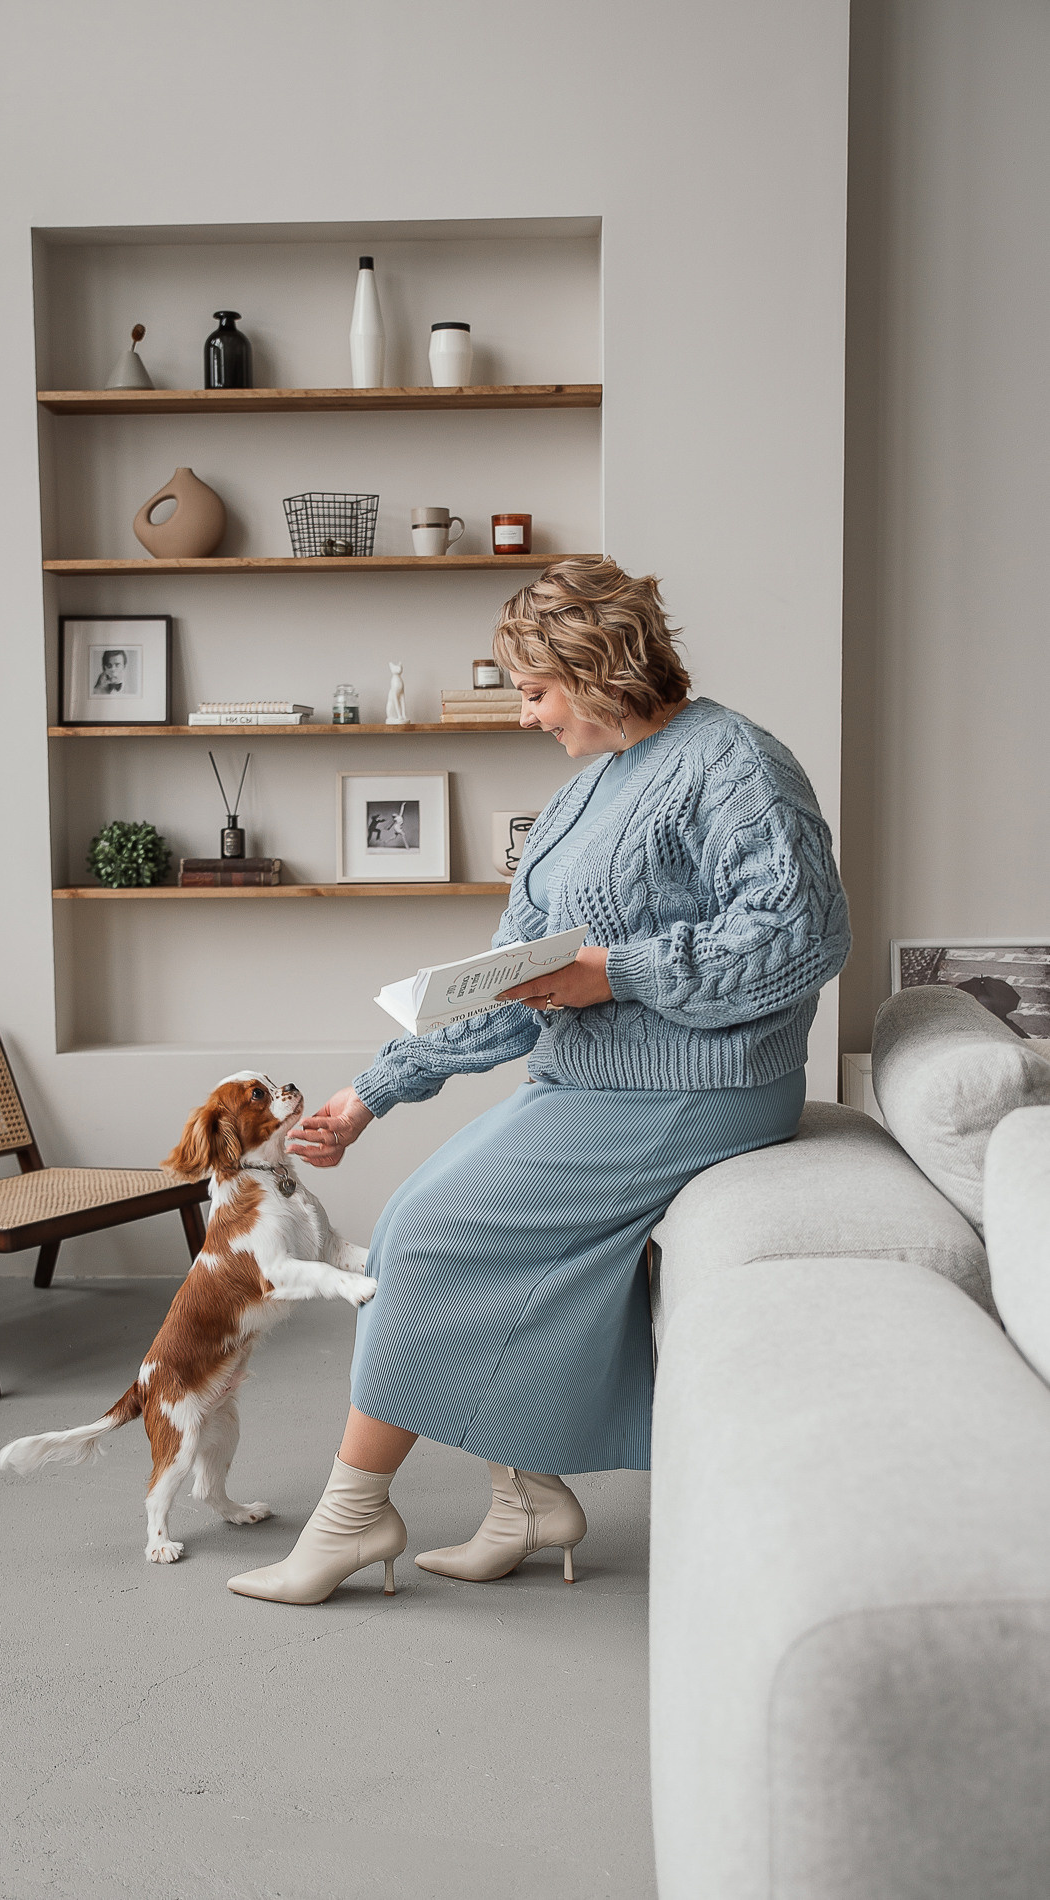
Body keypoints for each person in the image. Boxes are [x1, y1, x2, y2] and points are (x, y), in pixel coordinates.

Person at [228, 557, 850, 1606]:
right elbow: (513, 981)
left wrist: (615, 971)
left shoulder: (736, 763)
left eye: (533, 691)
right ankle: (525, 1502)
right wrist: (372, 1092)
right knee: (415, 1224)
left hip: (694, 1088)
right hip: (591, 1084)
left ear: (597, 667)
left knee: (426, 1238)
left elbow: (800, 935)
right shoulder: (582, 792)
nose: (524, 716)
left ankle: (351, 1520)